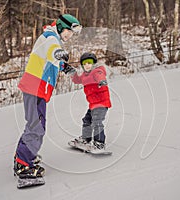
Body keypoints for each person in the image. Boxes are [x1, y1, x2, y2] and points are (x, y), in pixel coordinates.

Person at [14, 14, 81, 179]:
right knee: (36, 127)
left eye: (71, 34)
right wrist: (59, 54)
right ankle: (23, 165)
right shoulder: (50, 37)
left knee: (35, 124)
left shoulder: (52, 38)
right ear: (60, 26)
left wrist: (64, 66)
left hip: (37, 89)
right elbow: (53, 51)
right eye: (67, 31)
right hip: (35, 88)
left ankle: (24, 157)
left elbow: (51, 58)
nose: (69, 36)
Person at [69, 52, 112, 151]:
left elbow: (100, 76)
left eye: (89, 62)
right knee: (87, 120)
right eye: (84, 64)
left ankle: (99, 143)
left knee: (97, 122)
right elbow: (77, 80)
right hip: (93, 104)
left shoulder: (97, 71)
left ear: (94, 63)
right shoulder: (85, 75)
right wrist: (71, 72)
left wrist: (102, 81)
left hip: (101, 102)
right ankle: (86, 139)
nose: (87, 65)